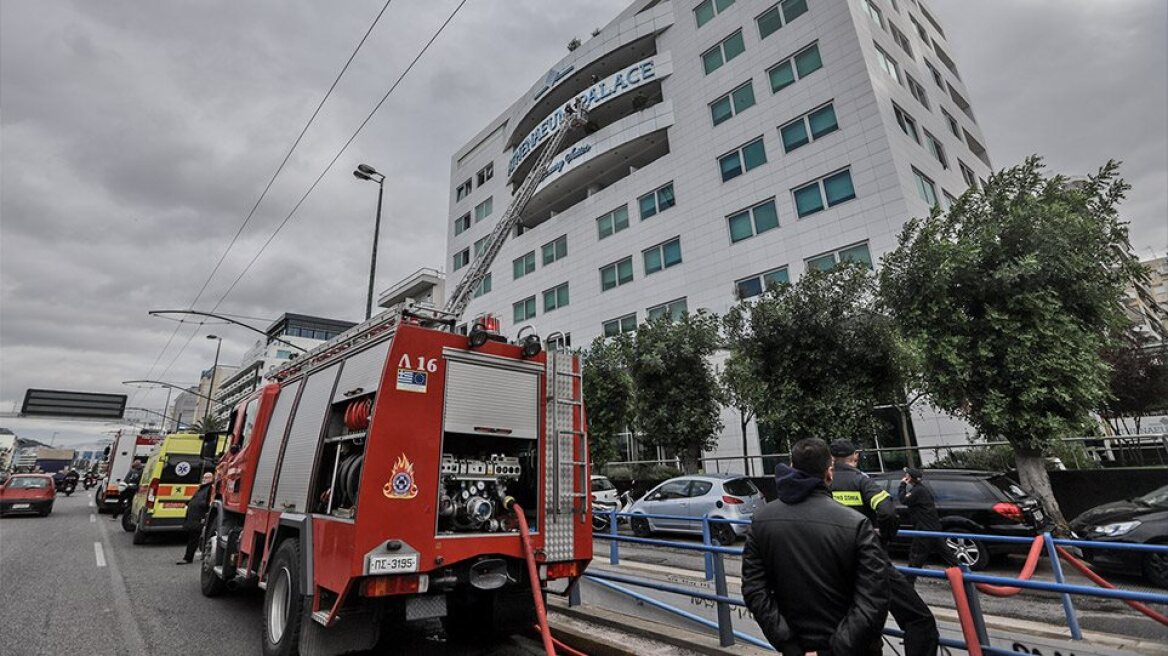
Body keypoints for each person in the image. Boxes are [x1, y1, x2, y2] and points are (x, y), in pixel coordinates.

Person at [743, 438, 890, 656]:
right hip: (852, 649)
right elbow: (874, 599)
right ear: (829, 473)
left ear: (793, 468)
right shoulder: (856, 524)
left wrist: (788, 644)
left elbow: (755, 590)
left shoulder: (761, 519)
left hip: (796, 646)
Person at [829, 439, 940, 656]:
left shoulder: (825, 482)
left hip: (833, 558)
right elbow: (888, 512)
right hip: (869, 558)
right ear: (856, 456)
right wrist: (885, 538)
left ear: (831, 458)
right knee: (919, 618)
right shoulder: (861, 480)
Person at [898, 467, 958, 584]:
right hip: (932, 528)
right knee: (947, 554)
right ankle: (964, 573)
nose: (905, 476)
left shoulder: (917, 491)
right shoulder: (920, 490)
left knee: (915, 558)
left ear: (910, 478)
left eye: (907, 475)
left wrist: (902, 485)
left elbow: (903, 500)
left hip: (924, 530)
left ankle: (908, 584)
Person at [178, 472, 214, 565]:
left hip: (199, 516)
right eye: (204, 477)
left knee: (194, 537)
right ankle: (199, 555)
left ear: (211, 478)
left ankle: (188, 558)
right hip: (194, 516)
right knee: (195, 537)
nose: (204, 479)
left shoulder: (210, 488)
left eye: (206, 477)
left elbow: (209, 502)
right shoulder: (202, 488)